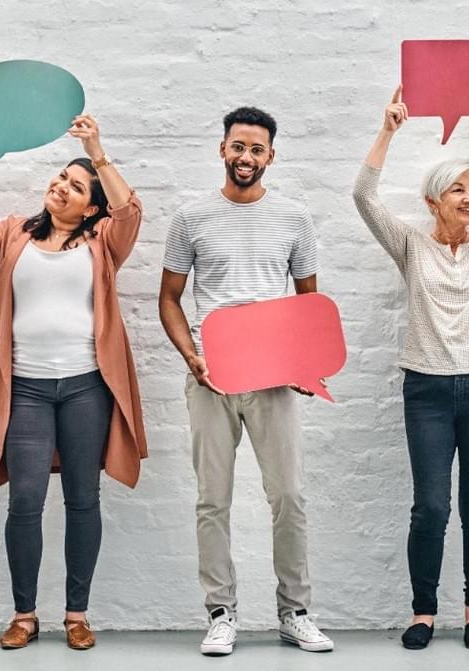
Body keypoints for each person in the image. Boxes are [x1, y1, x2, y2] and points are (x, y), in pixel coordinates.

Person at [0, 114, 147, 651]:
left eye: (75, 187)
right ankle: (24, 614)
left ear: (90, 207)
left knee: (82, 498)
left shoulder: (104, 241)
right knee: (24, 500)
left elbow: (130, 211)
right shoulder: (13, 234)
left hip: (85, 389)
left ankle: (77, 614)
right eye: (60, 178)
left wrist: (96, 152)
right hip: (25, 390)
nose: (61, 186)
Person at [353, 87, 469, 650]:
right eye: (459, 189)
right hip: (426, 390)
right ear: (434, 200)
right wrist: (388, 130)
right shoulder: (410, 245)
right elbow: (363, 196)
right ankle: (424, 612)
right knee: (430, 506)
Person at [158, 106, 333, 656]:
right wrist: (192, 358)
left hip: (274, 378)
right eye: (238, 146)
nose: (246, 157)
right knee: (213, 500)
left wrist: (305, 364)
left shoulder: (294, 218)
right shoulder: (191, 218)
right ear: (223, 149)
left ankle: (295, 612)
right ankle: (220, 612)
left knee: (290, 496)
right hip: (212, 377)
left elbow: (309, 301)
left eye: (257, 150)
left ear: (270, 157)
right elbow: (168, 298)